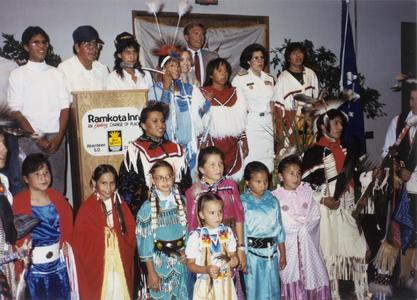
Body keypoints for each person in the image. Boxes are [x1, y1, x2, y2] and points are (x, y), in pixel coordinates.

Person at [301, 109, 368, 300]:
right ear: (323, 126)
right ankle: (333, 295)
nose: (340, 127)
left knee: (358, 249)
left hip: (346, 208)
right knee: (330, 255)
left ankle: (362, 293)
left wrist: (371, 178)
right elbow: (304, 186)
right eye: (336, 123)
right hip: (325, 211)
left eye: (341, 123)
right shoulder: (314, 153)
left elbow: (353, 178)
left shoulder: (346, 149)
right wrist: (323, 199)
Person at [8, 26, 70, 194]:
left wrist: (59, 136)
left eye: (44, 42)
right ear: (26, 47)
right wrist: (38, 138)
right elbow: (16, 112)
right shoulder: (18, 74)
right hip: (30, 140)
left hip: (56, 139)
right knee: (31, 191)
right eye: (35, 42)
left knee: (57, 189)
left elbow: (65, 107)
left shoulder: (57, 73)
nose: (41, 46)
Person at [185, 146, 246, 298]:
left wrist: (241, 249)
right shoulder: (194, 192)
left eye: (220, 163)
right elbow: (192, 225)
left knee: (229, 288)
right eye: (212, 164)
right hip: (206, 248)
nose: (218, 167)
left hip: (228, 244)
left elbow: (239, 218)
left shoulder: (231, 187)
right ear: (201, 169)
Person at [13, 153, 73, 299]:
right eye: (37, 174)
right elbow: (14, 236)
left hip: (58, 267)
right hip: (33, 270)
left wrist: (67, 245)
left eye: (46, 172)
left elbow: (68, 227)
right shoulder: (19, 203)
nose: (43, 177)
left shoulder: (58, 198)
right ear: (26, 179)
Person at [72, 164, 136, 300]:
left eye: (112, 183)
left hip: (119, 264)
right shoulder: (87, 208)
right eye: (104, 183)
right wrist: (103, 236)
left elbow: (131, 232)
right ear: (95, 183)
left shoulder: (121, 205)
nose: (108, 188)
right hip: (98, 266)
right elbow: (80, 239)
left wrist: (117, 236)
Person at [272, 155, 331, 299]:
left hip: (308, 246)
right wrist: (294, 227)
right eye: (291, 173)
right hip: (289, 246)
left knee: (316, 273)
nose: (296, 177)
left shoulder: (307, 192)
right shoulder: (275, 197)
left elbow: (315, 215)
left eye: (298, 173)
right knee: (291, 273)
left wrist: (305, 227)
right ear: (281, 176)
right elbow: (277, 222)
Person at [118, 101, 192, 215]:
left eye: (162, 121)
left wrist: (174, 196)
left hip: (176, 208)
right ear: (143, 125)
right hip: (149, 209)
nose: (160, 125)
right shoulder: (135, 150)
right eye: (155, 121)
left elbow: (186, 181)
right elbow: (127, 187)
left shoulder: (176, 149)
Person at [148, 49, 209, 177]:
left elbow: (200, 116)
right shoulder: (154, 90)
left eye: (177, 65)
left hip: (189, 145)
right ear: (163, 69)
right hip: (167, 145)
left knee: (191, 179)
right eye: (171, 65)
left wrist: (207, 103)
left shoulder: (189, 89)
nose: (176, 68)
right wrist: (165, 89)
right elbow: (159, 115)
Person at [136, 160, 188, 299]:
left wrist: (187, 251)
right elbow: (145, 243)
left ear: (173, 177)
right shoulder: (147, 208)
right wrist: (151, 272)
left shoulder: (183, 202)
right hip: (159, 263)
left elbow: (189, 231)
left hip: (182, 261)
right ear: (153, 180)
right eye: (160, 177)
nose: (165, 181)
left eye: (168, 176)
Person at [241, 161, 286, 299]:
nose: (263, 185)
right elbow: (241, 231)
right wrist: (243, 256)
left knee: (273, 291)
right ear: (248, 182)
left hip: (271, 255)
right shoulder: (243, 202)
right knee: (254, 292)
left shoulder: (273, 201)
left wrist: (282, 253)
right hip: (252, 256)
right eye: (258, 181)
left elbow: (279, 229)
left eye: (265, 181)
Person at [200, 58, 248, 181]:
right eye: (219, 71)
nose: (224, 74)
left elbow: (241, 120)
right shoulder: (202, 92)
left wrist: (244, 140)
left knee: (233, 180)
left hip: (233, 145)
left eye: (226, 71)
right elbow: (198, 120)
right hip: (212, 143)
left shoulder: (235, 92)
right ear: (211, 74)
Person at [186, 192, 239, 299]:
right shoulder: (196, 237)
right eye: (212, 213)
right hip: (205, 287)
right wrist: (206, 269)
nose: (218, 216)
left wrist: (234, 260)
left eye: (220, 211)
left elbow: (233, 255)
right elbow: (190, 264)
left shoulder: (227, 232)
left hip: (226, 286)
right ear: (201, 215)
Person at [232, 43, 275, 172]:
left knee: (268, 156)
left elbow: (273, 103)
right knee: (251, 157)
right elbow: (236, 105)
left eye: (262, 58)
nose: (260, 61)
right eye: (256, 58)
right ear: (248, 60)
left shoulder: (270, 78)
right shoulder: (240, 79)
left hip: (268, 122)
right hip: (251, 123)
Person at [58, 25, 109, 93]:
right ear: (77, 48)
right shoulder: (64, 70)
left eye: (96, 44)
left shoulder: (102, 69)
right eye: (88, 45)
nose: (94, 49)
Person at [274, 42, 319, 111]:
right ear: (288, 58)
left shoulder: (310, 73)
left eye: (300, 52)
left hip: (310, 117)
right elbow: (278, 105)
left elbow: (316, 97)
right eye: (294, 53)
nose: (298, 56)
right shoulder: (282, 78)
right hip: (292, 118)